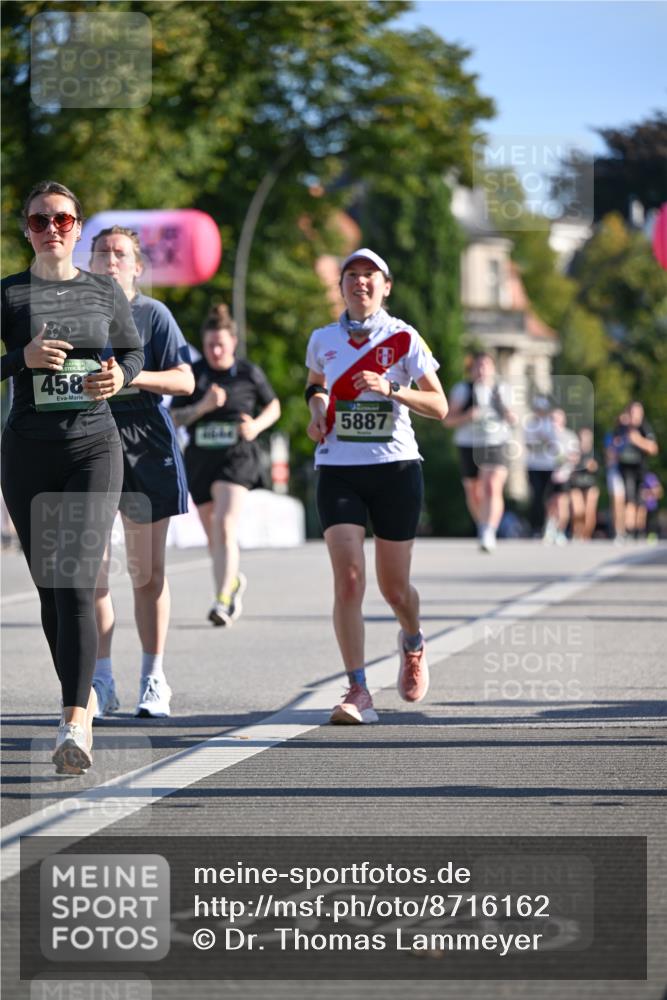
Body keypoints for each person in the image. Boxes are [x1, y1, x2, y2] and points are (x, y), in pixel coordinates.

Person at [0, 181, 143, 774]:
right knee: (52, 592)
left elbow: (133, 353)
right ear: (27, 229)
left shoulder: (104, 290)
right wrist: (20, 361)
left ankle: (73, 723)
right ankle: (78, 700)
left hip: (93, 446)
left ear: (78, 227)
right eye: (39, 220)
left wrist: (121, 378)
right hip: (28, 452)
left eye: (62, 219)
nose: (51, 229)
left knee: (79, 581)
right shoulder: (9, 294)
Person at [305, 248, 448, 725]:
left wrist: (391, 390)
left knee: (394, 587)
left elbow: (440, 405)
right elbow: (315, 384)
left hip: (396, 470)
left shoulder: (403, 338)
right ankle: (358, 689)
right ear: (341, 286)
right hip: (338, 468)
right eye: (352, 276)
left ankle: (412, 640)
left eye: (370, 277)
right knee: (348, 579)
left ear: (385, 286)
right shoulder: (323, 338)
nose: (360, 283)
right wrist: (317, 410)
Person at [89, 226, 194, 719]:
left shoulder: (154, 315)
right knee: (90, 574)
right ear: (90, 262)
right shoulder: (76, 317)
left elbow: (185, 379)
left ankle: (154, 679)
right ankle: (100, 680)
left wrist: (130, 375)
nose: (111, 259)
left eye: (120, 253)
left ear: (136, 266)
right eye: (103, 252)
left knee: (146, 572)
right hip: (89, 443)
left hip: (146, 446)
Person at [171, 304, 280, 625]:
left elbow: (274, 406)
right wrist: (203, 407)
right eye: (209, 345)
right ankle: (231, 581)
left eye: (221, 344)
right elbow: (174, 417)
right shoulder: (194, 374)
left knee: (224, 524)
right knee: (213, 535)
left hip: (237, 457)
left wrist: (256, 427)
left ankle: (222, 602)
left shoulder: (247, 372)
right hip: (201, 460)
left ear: (233, 342)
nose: (216, 351)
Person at [443, 351, 516, 552]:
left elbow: (514, 417)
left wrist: (508, 413)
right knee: (474, 491)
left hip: (496, 441)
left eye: (486, 366)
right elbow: (448, 420)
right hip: (468, 443)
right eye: (478, 366)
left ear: (493, 368)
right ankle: (482, 524)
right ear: (472, 369)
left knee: (492, 486)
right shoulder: (462, 390)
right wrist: (467, 416)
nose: (482, 370)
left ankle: (488, 530)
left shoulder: (502, 388)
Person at [613, 401, 659, 539]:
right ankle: (628, 530)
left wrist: (638, 440)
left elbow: (653, 449)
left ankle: (638, 530)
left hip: (640, 468)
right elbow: (613, 447)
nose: (636, 416)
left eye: (639, 413)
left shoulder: (645, 428)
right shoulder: (622, 427)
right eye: (633, 412)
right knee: (629, 498)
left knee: (641, 500)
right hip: (625, 468)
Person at [542, 409, 580, 545]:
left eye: (556, 419)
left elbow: (575, 456)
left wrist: (564, 459)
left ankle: (560, 531)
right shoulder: (545, 436)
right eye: (552, 418)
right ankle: (550, 529)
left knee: (562, 503)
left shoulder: (569, 436)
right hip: (547, 474)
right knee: (550, 504)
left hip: (563, 474)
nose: (554, 422)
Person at [568, 426, 599, 540]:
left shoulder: (594, 453)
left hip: (590, 485)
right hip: (576, 485)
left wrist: (593, 466)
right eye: (582, 438)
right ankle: (577, 533)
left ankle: (586, 535)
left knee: (589, 511)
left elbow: (597, 469)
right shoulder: (574, 453)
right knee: (578, 510)